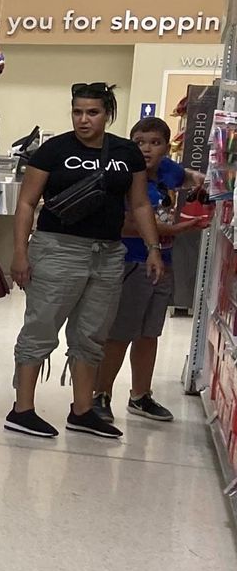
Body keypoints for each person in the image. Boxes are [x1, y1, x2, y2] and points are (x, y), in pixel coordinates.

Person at [6, 82, 164, 440]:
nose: (83, 119)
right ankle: (22, 410)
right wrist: (19, 252)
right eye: (77, 111)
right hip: (57, 249)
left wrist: (154, 248)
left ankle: (82, 410)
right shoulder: (53, 150)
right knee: (40, 328)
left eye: (92, 112)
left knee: (92, 334)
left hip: (108, 254)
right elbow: (27, 202)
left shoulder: (126, 152)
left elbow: (139, 204)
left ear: (108, 113)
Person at [93, 116, 207, 423]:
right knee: (120, 333)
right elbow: (129, 223)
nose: (146, 150)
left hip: (163, 263)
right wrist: (176, 229)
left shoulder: (168, 170)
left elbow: (185, 176)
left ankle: (140, 395)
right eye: (139, 142)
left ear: (166, 147)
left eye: (155, 143)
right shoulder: (125, 175)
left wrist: (199, 180)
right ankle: (100, 394)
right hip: (132, 261)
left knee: (149, 333)